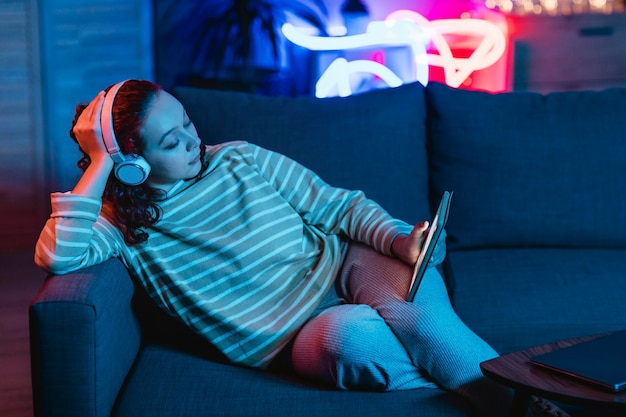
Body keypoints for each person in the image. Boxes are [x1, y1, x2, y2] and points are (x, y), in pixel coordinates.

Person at [35, 79, 567, 417]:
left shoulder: (239, 158)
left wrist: (401, 242)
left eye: (188, 124)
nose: (194, 141)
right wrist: (99, 166)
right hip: (297, 337)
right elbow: (57, 255)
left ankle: (527, 405)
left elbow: (338, 207)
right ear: (133, 163)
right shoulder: (122, 225)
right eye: (171, 142)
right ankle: (485, 379)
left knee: (419, 318)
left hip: (346, 262)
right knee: (355, 340)